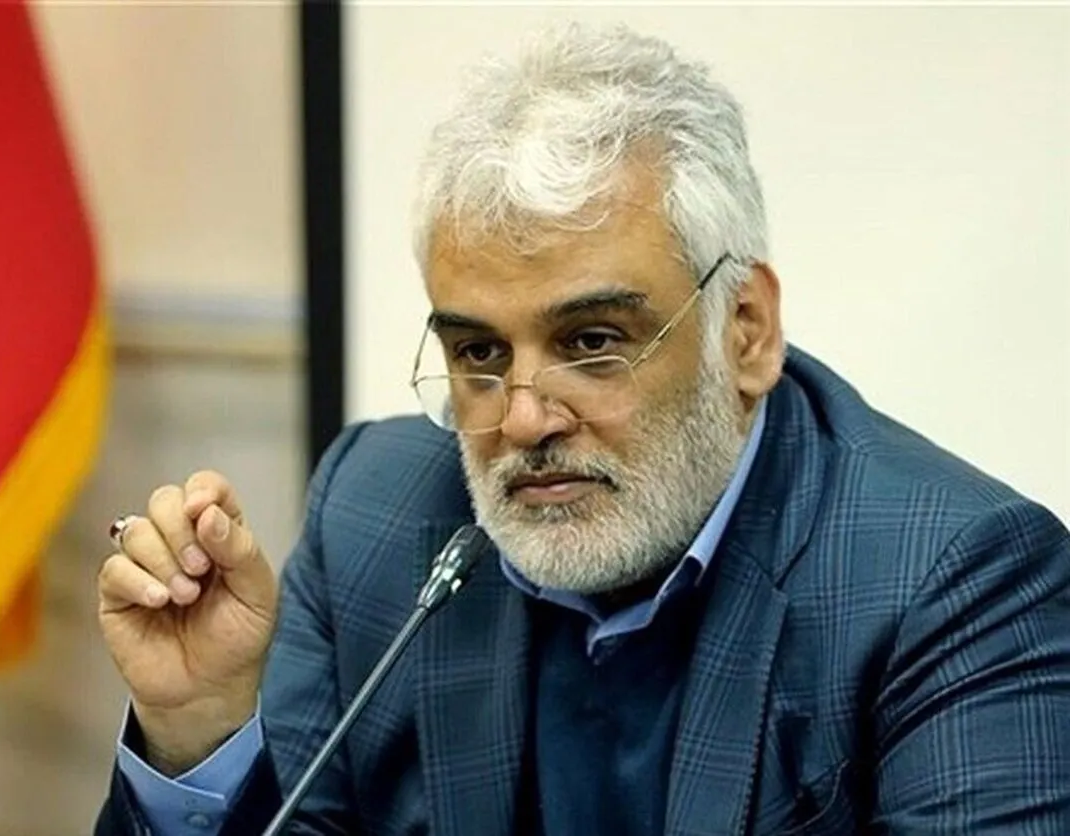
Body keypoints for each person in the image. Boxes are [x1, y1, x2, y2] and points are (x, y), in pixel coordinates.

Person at [93, 22, 1070, 836]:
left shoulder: (953, 582)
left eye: (593, 341)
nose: (523, 417)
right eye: (479, 352)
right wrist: (201, 727)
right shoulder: (375, 516)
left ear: (746, 330)